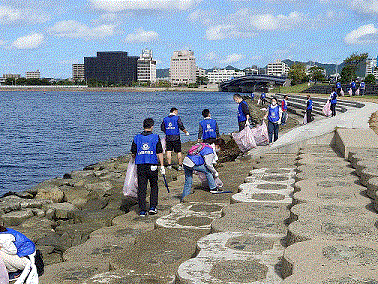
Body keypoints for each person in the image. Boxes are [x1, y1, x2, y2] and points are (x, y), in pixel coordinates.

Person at [131, 118, 165, 217]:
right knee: (154, 186)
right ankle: (152, 207)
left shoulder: (136, 138)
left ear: (143, 126)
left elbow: (133, 153)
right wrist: (162, 166)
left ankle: (142, 210)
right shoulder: (155, 137)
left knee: (142, 187)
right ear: (152, 126)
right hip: (152, 165)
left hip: (141, 165)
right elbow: (159, 153)